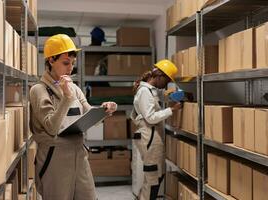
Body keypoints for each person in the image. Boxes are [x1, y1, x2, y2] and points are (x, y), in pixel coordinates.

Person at [29, 34, 117, 200]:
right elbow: (51, 127)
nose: (70, 68)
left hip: (79, 153)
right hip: (54, 157)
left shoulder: (75, 88)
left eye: (73, 63)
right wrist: (66, 98)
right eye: (65, 63)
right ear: (50, 61)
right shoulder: (38, 90)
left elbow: (88, 112)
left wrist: (105, 110)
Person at [131, 59, 182, 200]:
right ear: (159, 76)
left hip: (152, 136)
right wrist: (172, 109)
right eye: (166, 81)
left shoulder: (150, 91)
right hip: (149, 137)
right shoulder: (145, 92)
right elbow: (151, 117)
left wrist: (173, 96)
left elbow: (157, 100)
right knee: (153, 177)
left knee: (157, 175)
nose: (166, 85)